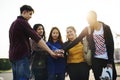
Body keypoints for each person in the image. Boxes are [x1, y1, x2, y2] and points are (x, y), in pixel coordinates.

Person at [63, 11, 117, 80]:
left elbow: (111, 45)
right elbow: (77, 40)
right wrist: (64, 49)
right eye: (87, 20)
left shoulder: (106, 28)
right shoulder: (88, 29)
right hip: (96, 60)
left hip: (107, 60)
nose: (88, 22)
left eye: (90, 20)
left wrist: (110, 61)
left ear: (95, 17)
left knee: (110, 78)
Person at [9, 5, 56, 80]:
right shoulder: (22, 22)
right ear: (24, 12)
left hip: (13, 57)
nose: (31, 16)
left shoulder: (13, 24)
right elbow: (37, 38)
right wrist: (50, 52)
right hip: (21, 57)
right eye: (30, 14)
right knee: (23, 78)